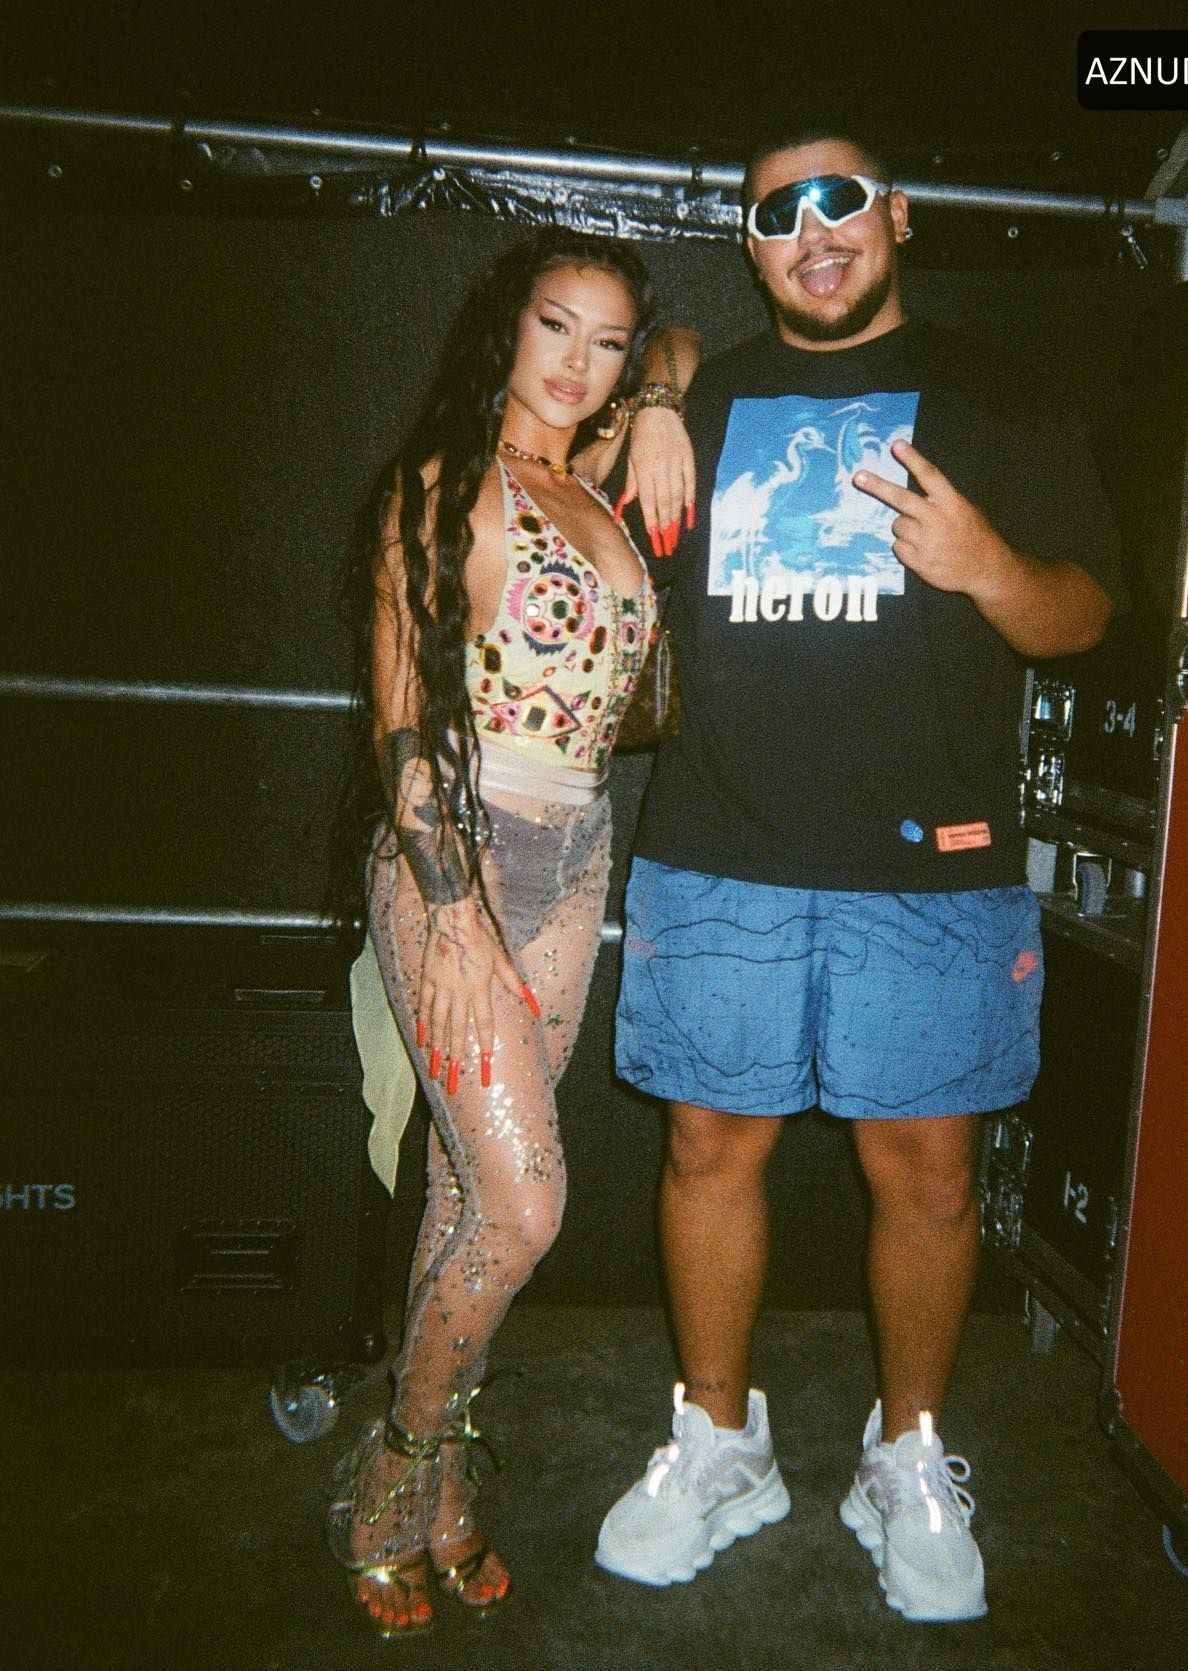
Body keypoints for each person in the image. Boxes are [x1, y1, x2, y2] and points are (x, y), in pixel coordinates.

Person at [594, 131, 1124, 1623]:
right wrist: (653, 396)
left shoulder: (1000, 394)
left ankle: (908, 1453)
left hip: (934, 866)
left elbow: (1086, 615)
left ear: (896, 215)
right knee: (707, 1147)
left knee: (932, 1170)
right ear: (750, 242)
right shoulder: (700, 399)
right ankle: (721, 1442)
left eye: (840, 199)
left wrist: (985, 566)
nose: (813, 230)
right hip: (721, 845)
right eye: (779, 210)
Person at [331, 227, 675, 1638]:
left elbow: (684, 349)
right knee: (527, 1207)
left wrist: (660, 400)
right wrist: (456, 911)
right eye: (554, 326)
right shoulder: (443, 487)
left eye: (607, 341)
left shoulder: (592, 482)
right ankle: (394, 1465)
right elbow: (402, 721)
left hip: (580, 857)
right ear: (504, 327)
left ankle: (446, 1489)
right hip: (455, 862)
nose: (577, 361)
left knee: (468, 1199)